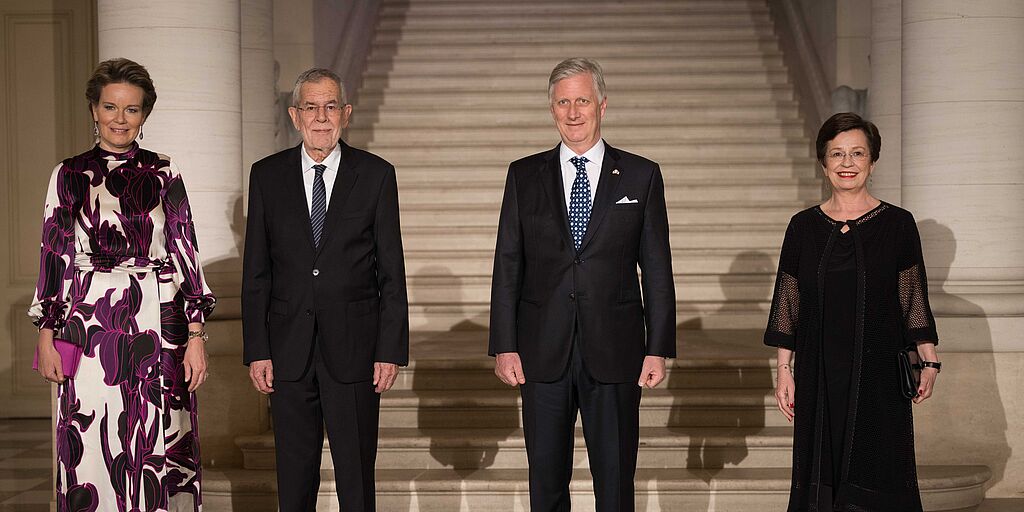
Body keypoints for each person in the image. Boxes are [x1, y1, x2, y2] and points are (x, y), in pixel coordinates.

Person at [489, 57, 676, 511]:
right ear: (552, 109)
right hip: (541, 351)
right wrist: (504, 344)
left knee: (614, 484)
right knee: (546, 484)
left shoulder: (640, 174)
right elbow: (508, 263)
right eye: (563, 103)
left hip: (615, 351)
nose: (574, 113)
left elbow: (656, 267)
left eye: (583, 101)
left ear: (603, 105)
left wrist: (658, 346)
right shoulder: (523, 174)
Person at [29, 57, 215, 511]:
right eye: (110, 107)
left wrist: (195, 336)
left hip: (162, 321)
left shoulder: (165, 173)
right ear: (94, 109)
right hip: (90, 323)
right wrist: (46, 335)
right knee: (91, 439)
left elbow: (185, 254)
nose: (119, 118)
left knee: (161, 440)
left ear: (144, 115)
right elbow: (54, 255)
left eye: (131, 109)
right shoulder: (68, 174)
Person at [242, 68, 409, 511]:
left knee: (356, 478)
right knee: (294, 480)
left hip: (354, 351)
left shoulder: (376, 175)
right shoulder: (267, 176)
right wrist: (257, 348)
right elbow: (256, 272)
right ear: (296, 116)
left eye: (330, 106)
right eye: (311, 107)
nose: (321, 117)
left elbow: (391, 272)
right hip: (288, 353)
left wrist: (389, 350)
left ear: (346, 114)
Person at [765, 112, 941, 511]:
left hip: (879, 370)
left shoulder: (898, 224)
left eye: (857, 153)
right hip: (818, 372)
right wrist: (783, 371)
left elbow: (911, 296)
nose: (847, 163)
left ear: (872, 161)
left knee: (877, 471)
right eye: (837, 154)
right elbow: (787, 305)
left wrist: (929, 359)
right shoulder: (802, 227)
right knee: (821, 473)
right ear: (824, 163)